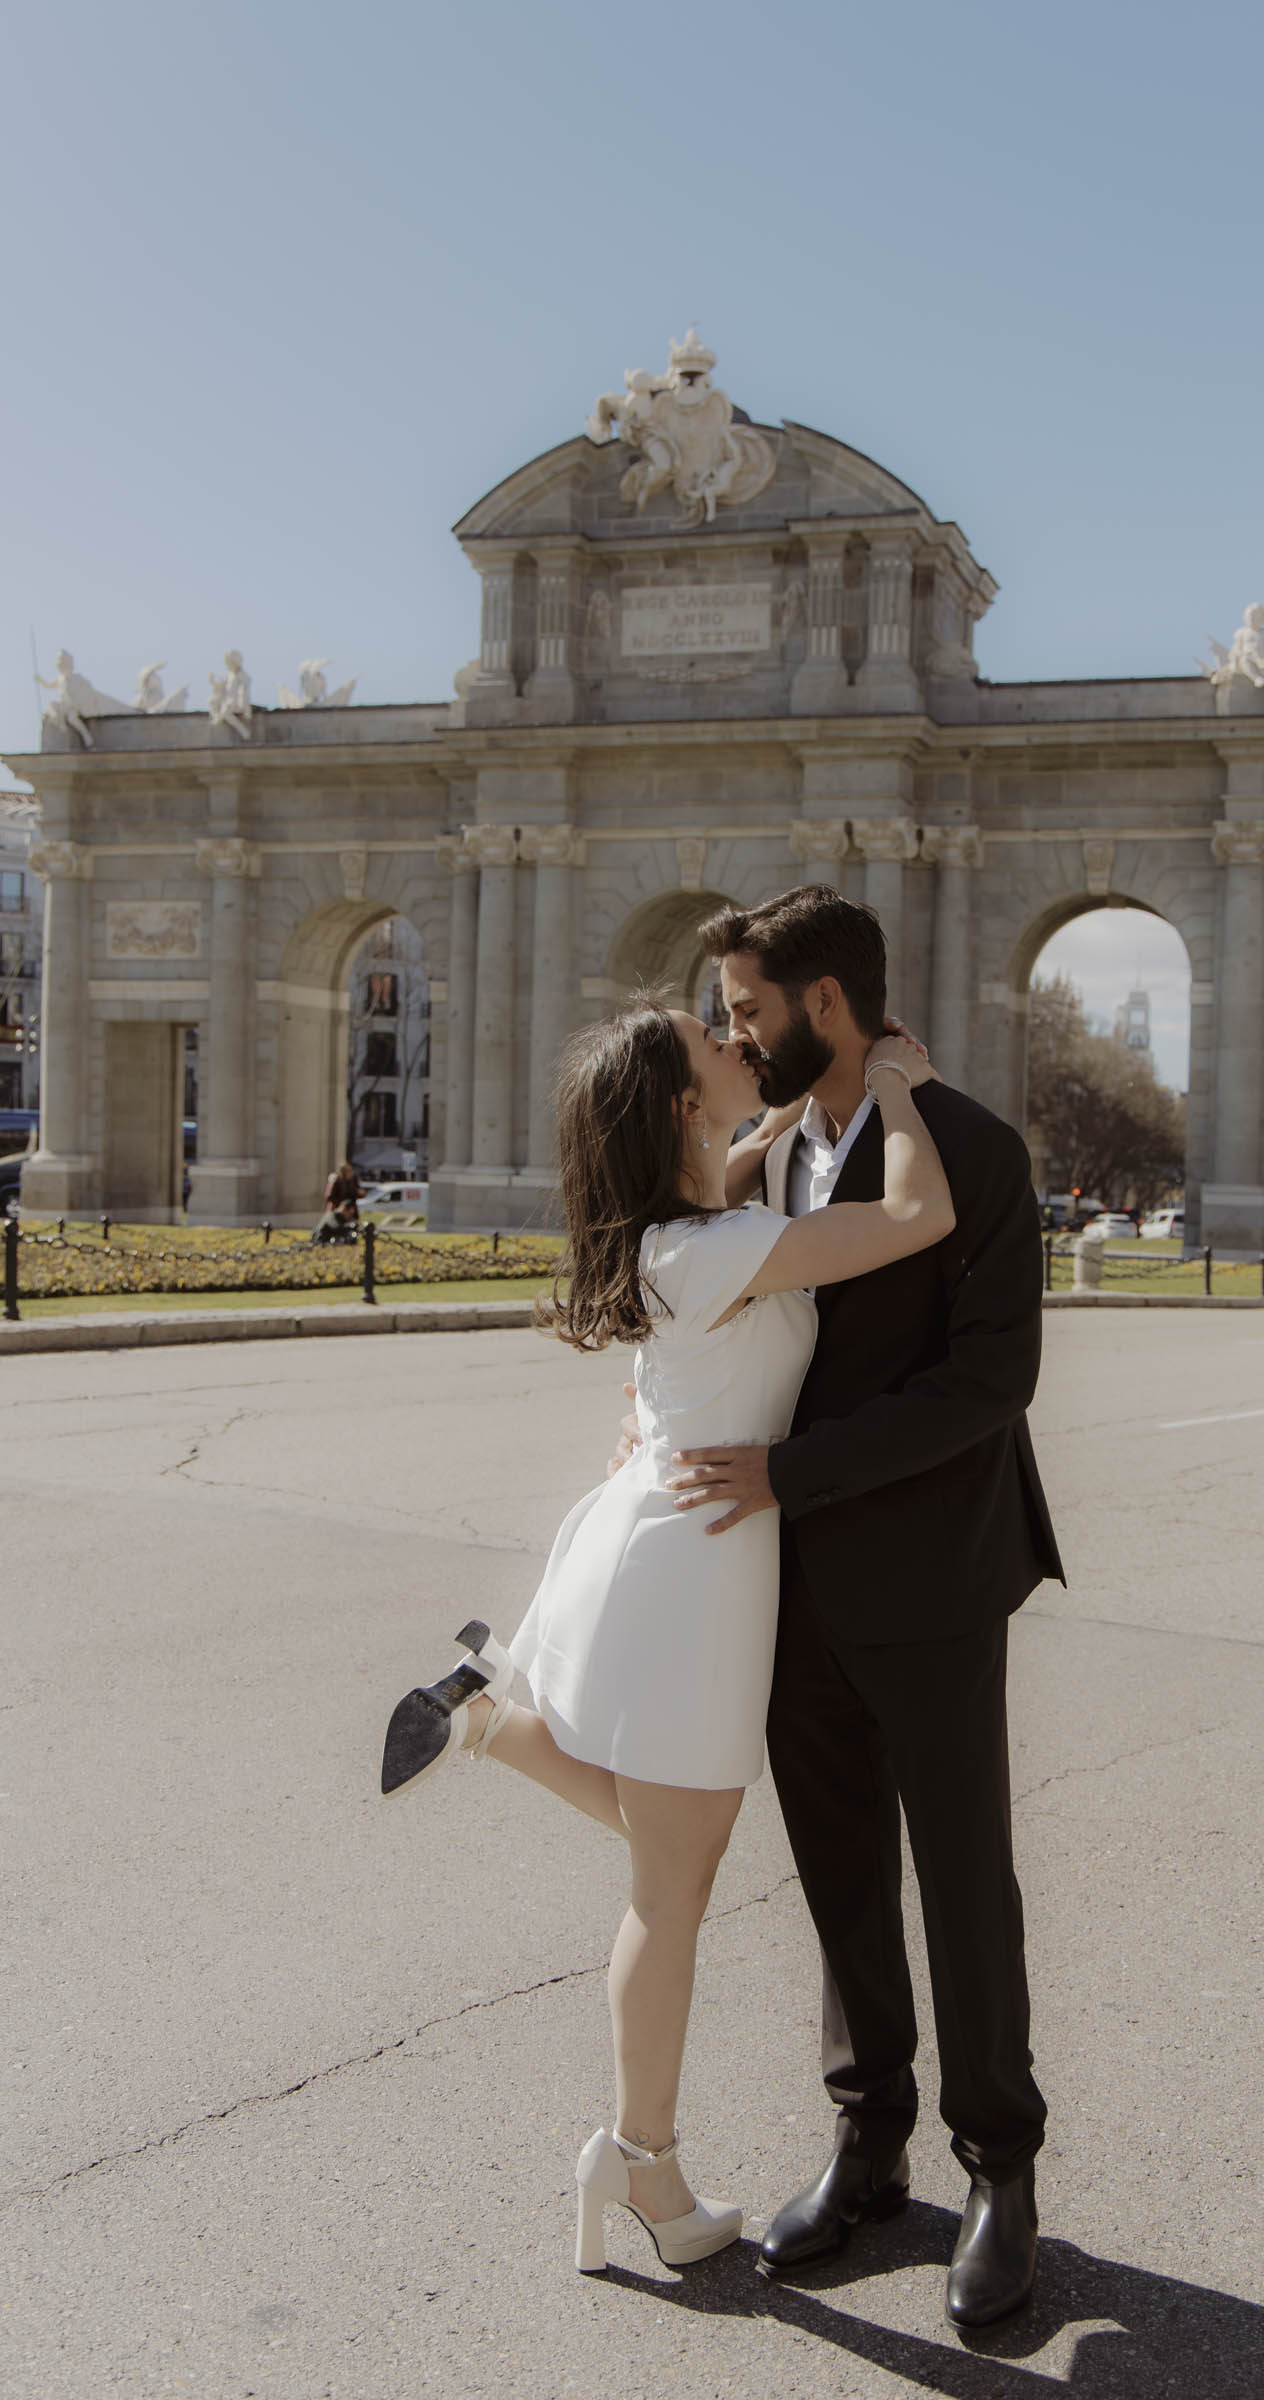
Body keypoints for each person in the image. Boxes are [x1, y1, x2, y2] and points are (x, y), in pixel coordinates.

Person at [379, 998, 951, 2279]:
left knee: (674, 1854)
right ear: (685, 1104)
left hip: (676, 1542)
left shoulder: (692, 1228)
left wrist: (803, 1101)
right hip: (689, 1568)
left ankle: (490, 1723)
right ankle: (642, 2165)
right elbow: (915, 1219)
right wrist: (898, 1089)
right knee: (670, 1889)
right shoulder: (714, 1247)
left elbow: (741, 1174)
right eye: (713, 1041)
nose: (736, 1039)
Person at [657, 886, 1065, 2328]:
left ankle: (1000, 2170)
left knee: (964, 1881)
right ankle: (871, 2140)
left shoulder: (971, 1149)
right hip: (787, 1582)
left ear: (827, 1007)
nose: (733, 1033)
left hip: (935, 1573)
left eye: (751, 1011)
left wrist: (790, 1471)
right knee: (838, 1880)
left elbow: (986, 1386)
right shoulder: (757, 1162)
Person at [312, 1161, 361, 1246]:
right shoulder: (336, 1181)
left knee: (351, 1227)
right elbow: (329, 1196)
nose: (351, 1173)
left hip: (349, 1207)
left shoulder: (353, 1181)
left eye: (351, 1171)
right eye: (348, 1171)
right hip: (338, 1209)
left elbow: (355, 1193)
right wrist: (341, 1204)